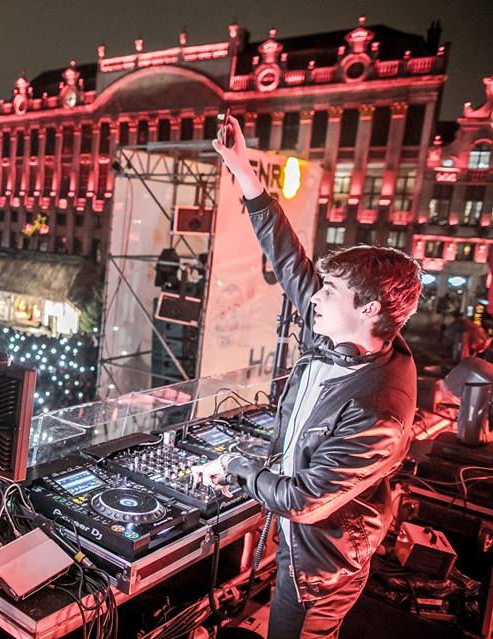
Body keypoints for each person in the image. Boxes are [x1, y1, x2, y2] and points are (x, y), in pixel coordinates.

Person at [191, 115, 422, 639]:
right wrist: (241, 169)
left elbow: (303, 500)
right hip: (305, 544)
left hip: (324, 566)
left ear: (368, 309)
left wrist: (236, 466)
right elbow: (288, 257)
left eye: (331, 292)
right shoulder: (337, 333)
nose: (314, 297)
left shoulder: (378, 408)